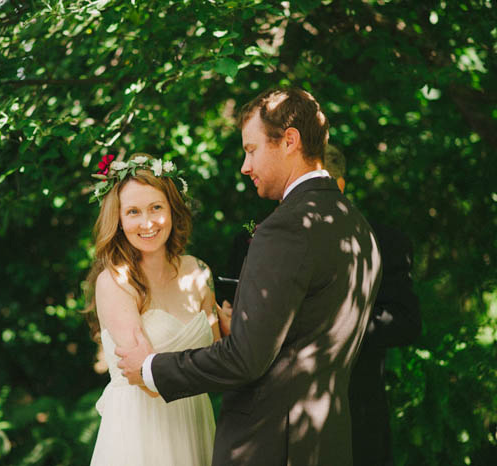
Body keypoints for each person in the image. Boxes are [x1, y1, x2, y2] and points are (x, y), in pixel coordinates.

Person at [116, 88, 383, 465]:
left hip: (270, 446)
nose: (245, 165)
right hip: (325, 444)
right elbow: (302, 335)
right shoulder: (356, 225)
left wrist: (152, 367)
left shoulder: (287, 229)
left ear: (289, 140)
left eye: (252, 149)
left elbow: (246, 360)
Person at [84, 153, 228, 466]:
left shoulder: (198, 272)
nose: (147, 223)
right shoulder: (115, 282)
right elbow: (145, 379)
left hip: (194, 420)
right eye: (133, 212)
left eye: (156, 208)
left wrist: (233, 330)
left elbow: (222, 362)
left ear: (172, 210)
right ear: (119, 219)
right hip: (140, 431)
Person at [324, 144, 421, 466]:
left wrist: (333, 324)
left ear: (339, 185)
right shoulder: (258, 240)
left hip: (358, 410)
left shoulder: (384, 242)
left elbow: (406, 321)